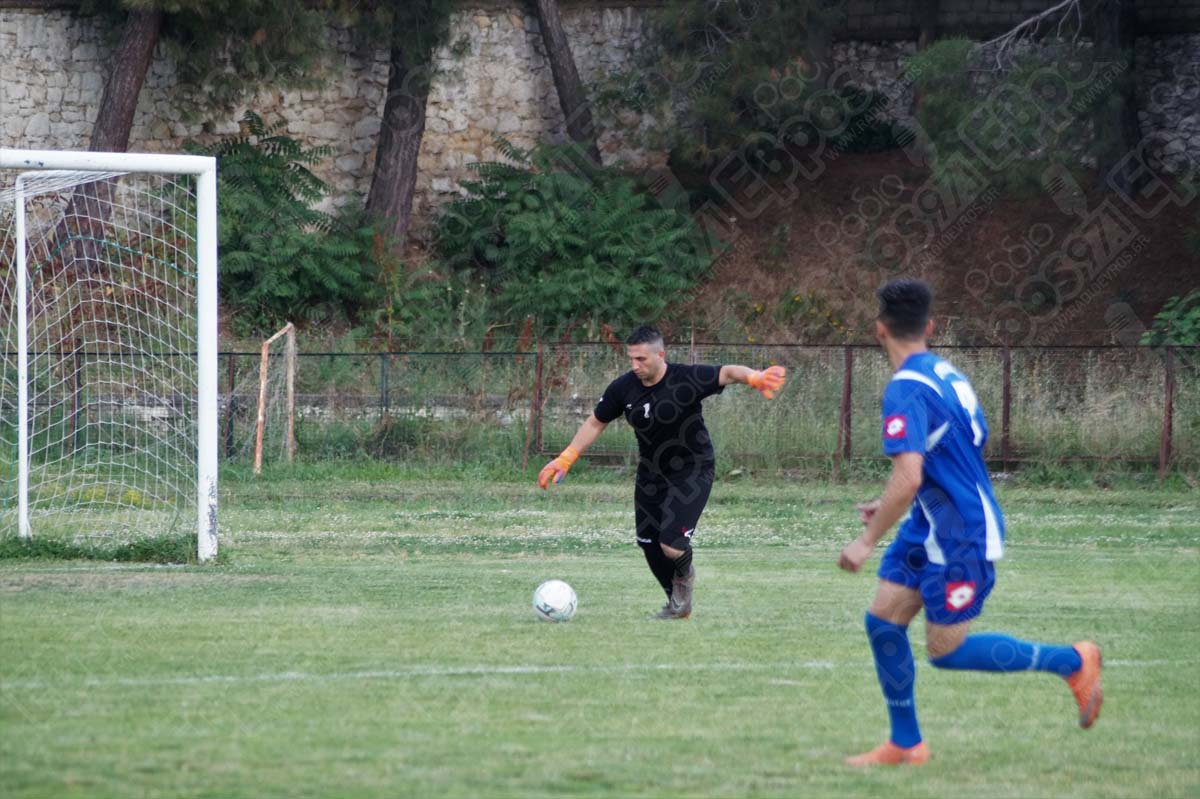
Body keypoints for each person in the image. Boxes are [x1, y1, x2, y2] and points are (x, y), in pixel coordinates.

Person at [838, 278, 1102, 766]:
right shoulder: (945, 373)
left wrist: (866, 539)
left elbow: (911, 476)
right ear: (930, 327)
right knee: (883, 621)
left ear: (879, 329)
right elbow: (953, 454)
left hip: (962, 532)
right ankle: (906, 743)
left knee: (947, 651)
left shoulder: (905, 389)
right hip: (929, 525)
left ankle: (1073, 660)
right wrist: (892, 502)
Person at [538, 324, 786, 619]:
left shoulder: (686, 378)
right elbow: (596, 422)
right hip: (652, 473)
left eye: (641, 359)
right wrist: (566, 458)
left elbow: (729, 373)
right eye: (631, 359)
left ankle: (684, 575)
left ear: (660, 355)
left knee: (671, 545)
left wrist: (754, 377)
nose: (635, 365)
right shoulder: (623, 388)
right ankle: (677, 604)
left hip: (692, 469)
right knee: (648, 543)